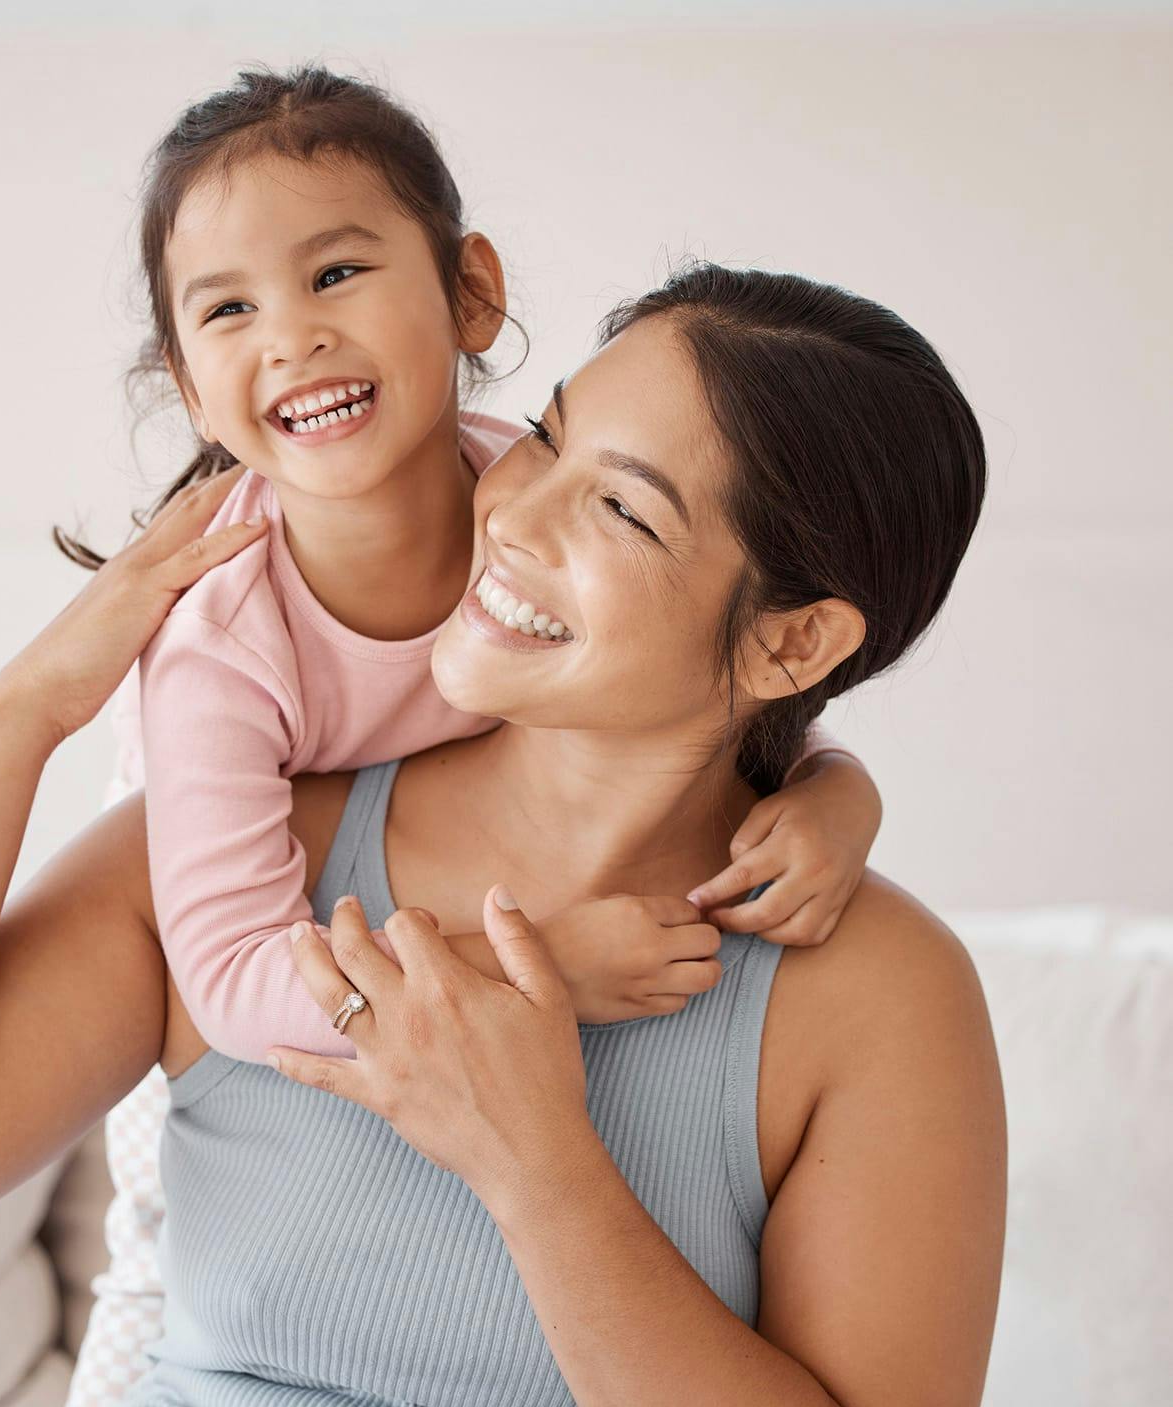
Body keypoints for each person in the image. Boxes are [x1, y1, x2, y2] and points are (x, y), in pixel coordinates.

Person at [0, 260, 1005, 1407]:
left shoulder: (873, 993)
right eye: (545, 435)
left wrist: (535, 1163)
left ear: (790, 641)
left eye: (619, 510)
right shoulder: (242, 859)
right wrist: (24, 711)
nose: (509, 514)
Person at [63, 63, 885, 1071]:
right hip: (214, 945)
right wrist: (526, 967)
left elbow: (708, 677)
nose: (291, 338)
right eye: (227, 311)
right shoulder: (219, 649)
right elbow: (232, 982)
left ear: (471, 295)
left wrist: (836, 788)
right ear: (189, 387)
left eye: (334, 275)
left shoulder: (530, 496)